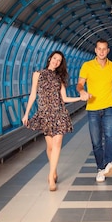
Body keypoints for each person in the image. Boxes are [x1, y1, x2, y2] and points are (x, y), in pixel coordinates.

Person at [23, 51, 83, 191]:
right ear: (50, 58)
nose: (56, 61)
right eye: (55, 58)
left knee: (57, 144)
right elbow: (33, 95)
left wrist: (80, 98)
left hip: (59, 113)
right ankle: (54, 170)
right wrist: (26, 114)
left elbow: (64, 99)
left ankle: (51, 177)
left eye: (59, 60)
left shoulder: (60, 78)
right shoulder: (37, 74)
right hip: (45, 114)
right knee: (49, 147)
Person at [76, 39, 112, 183]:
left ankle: (109, 163)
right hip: (92, 109)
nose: (102, 51)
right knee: (96, 142)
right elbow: (79, 84)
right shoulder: (87, 66)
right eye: (99, 49)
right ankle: (100, 169)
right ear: (95, 50)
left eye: (104, 49)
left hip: (109, 106)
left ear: (108, 50)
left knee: (110, 136)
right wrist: (82, 92)